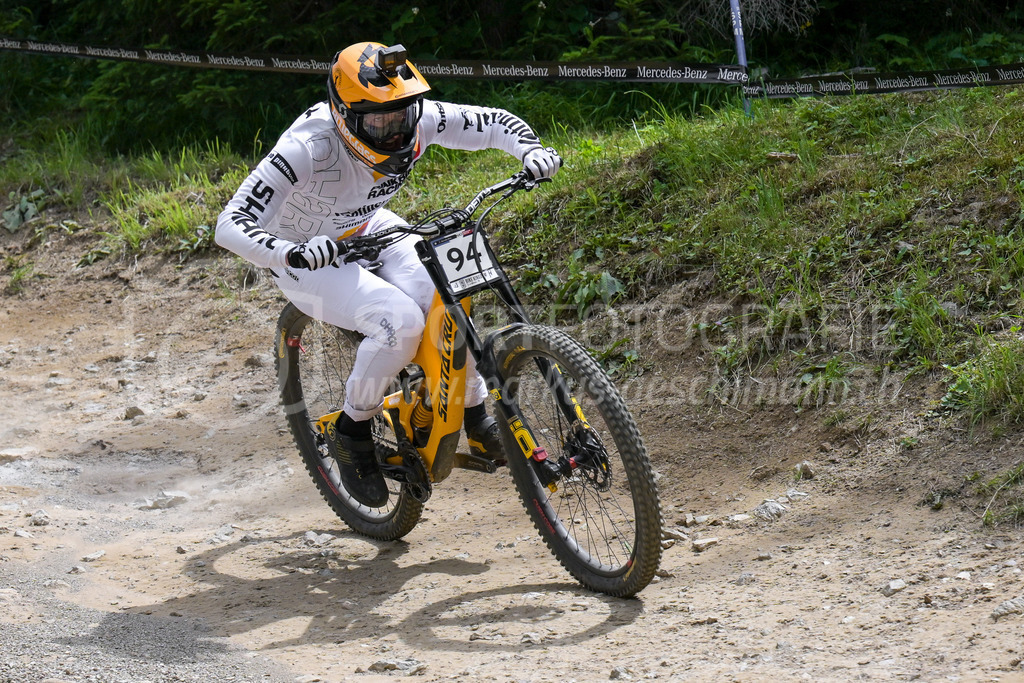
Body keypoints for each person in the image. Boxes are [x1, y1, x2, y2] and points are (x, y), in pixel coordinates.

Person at [215, 42, 561, 507]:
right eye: (378, 119)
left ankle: (475, 411)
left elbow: (495, 122)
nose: (394, 128)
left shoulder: (416, 115)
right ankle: (352, 429)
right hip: (307, 256)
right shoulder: (306, 148)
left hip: (368, 226)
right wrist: (290, 253)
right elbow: (229, 224)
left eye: (401, 115)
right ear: (342, 114)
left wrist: (530, 149)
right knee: (399, 322)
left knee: (446, 295)